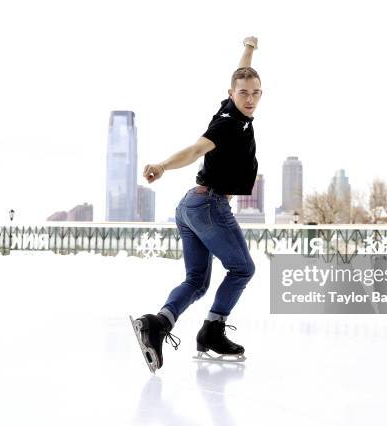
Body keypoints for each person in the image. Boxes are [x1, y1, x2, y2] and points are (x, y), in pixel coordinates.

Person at [131, 36, 262, 373]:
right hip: (209, 205)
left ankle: (156, 324)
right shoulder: (227, 123)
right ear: (232, 94)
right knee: (243, 268)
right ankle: (212, 331)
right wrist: (161, 165)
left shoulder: (232, 107)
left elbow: (240, 72)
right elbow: (193, 151)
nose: (250, 98)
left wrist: (248, 48)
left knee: (196, 281)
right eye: (244, 93)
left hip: (191, 205)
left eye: (255, 92)